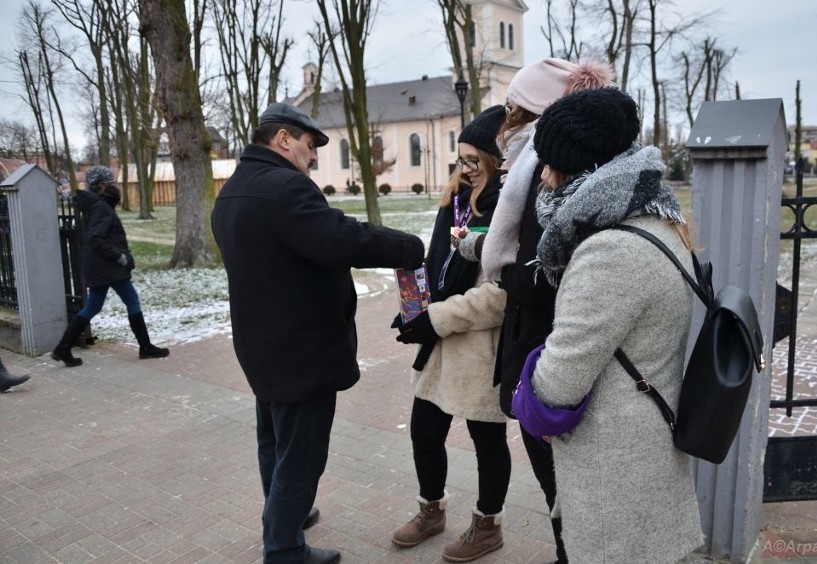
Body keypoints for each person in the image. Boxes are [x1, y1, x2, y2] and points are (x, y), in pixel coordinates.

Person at [211, 102, 424, 564]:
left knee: (274, 440)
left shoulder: (234, 189)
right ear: (283, 139)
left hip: (262, 344)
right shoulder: (285, 188)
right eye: (310, 146)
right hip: (300, 349)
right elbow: (339, 238)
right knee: (302, 454)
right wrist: (407, 247)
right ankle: (284, 548)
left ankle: (287, 513)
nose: (313, 158)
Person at [526, 87, 704, 562]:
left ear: (578, 167)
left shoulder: (609, 250)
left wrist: (531, 390)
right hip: (646, 439)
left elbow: (561, 379)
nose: (542, 176)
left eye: (548, 163)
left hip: (617, 460)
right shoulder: (658, 220)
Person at [455, 57, 614, 564]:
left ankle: (574, 555)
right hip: (541, 342)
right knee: (561, 482)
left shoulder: (547, 175)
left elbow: (545, 271)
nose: (504, 120)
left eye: (512, 108)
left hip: (548, 350)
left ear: (534, 114)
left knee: (562, 481)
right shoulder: (535, 169)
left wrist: (497, 267)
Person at [391, 105, 510, 563]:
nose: (465, 169)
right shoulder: (455, 199)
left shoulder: (506, 207)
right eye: (460, 160)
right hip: (440, 341)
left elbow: (500, 296)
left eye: (474, 161)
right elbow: (438, 263)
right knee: (424, 430)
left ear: (497, 161)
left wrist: (435, 317)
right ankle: (431, 510)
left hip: (480, 347)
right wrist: (413, 311)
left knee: (487, 439)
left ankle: (488, 525)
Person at [51, 166, 170, 367]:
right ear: (102, 185)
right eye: (111, 183)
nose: (115, 186)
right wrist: (120, 258)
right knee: (132, 301)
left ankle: (63, 348)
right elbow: (96, 238)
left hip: (100, 267)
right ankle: (146, 347)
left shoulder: (95, 205)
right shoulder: (100, 207)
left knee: (93, 307)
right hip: (109, 267)